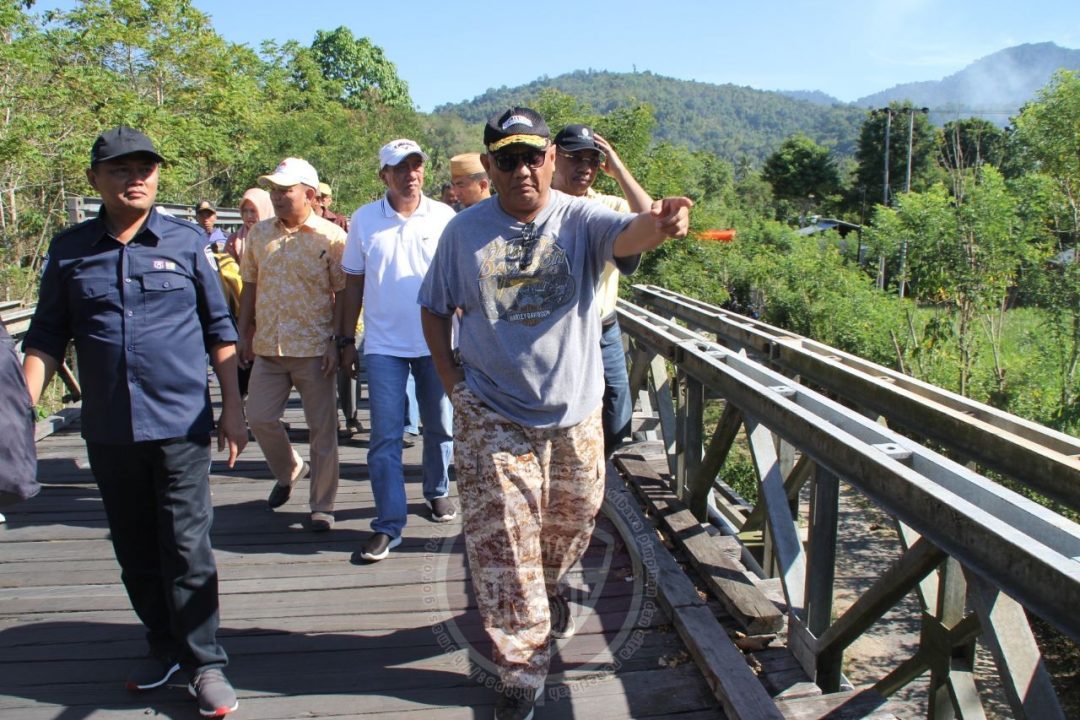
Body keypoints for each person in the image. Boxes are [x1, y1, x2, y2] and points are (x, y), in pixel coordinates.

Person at [418, 107, 691, 719]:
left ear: (550, 161)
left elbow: (634, 235)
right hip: (493, 411)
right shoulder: (463, 233)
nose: (523, 170)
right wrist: (452, 383)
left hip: (575, 412)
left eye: (533, 157)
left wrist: (664, 224)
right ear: (489, 167)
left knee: (569, 528)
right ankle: (522, 667)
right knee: (508, 547)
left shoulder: (581, 217)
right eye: (508, 159)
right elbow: (433, 308)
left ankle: (542, 595)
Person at [21, 126, 246, 718]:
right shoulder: (70, 251)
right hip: (110, 427)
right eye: (121, 169)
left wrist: (235, 410)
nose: (136, 178)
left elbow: (220, 330)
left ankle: (206, 662)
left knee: (187, 545)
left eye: (146, 167)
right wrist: (22, 410)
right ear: (95, 179)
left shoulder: (185, 243)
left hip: (180, 424)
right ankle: (162, 645)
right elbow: (46, 335)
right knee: (134, 547)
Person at [339, 139, 456, 562]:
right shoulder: (365, 220)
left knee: (440, 425)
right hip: (384, 345)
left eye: (416, 166)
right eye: (400, 168)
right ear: (384, 175)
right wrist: (345, 339)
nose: (410, 174)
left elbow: (459, 278)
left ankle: (437, 490)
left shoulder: (444, 216)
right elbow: (353, 280)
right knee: (384, 438)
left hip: (437, 341)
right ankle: (389, 525)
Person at [237, 157, 346, 533]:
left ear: (310, 195)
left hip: (315, 347)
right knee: (259, 417)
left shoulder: (331, 238)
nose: (278, 197)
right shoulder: (259, 234)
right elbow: (249, 284)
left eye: (286, 190)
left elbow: (343, 294)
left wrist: (336, 340)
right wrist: (242, 331)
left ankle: (322, 505)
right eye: (274, 191)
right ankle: (289, 469)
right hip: (269, 345)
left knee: (322, 430)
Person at [552, 124, 652, 455]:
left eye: (593, 161)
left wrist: (619, 168)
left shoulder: (607, 206)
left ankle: (609, 474)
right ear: (553, 158)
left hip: (604, 327)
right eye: (574, 158)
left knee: (616, 402)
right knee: (561, 403)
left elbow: (650, 218)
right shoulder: (540, 204)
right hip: (555, 329)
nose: (585, 168)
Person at [224, 188, 273, 264]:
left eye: (253, 211)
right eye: (245, 211)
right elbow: (227, 270)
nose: (248, 215)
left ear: (265, 210)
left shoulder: (278, 238)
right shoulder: (233, 240)